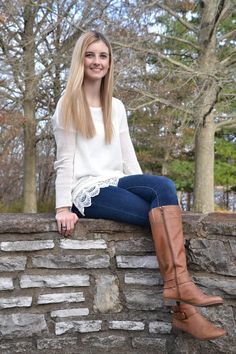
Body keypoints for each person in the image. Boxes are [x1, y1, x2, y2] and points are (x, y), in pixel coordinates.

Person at [52, 30, 226, 340]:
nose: (97, 61)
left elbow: (128, 157)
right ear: (81, 59)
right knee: (160, 213)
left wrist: (146, 187)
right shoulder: (68, 104)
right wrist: (63, 206)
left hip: (116, 181)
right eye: (90, 55)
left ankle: (179, 290)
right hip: (87, 192)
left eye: (103, 55)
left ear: (110, 62)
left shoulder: (115, 106)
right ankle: (184, 307)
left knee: (163, 189)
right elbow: (64, 161)